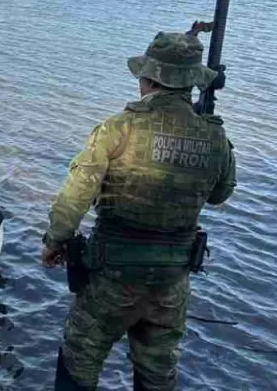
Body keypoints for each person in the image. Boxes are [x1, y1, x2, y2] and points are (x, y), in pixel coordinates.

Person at [41, 32, 237, 390]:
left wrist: (56, 241)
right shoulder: (215, 138)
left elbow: (75, 195)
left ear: (148, 79)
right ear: (192, 84)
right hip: (171, 280)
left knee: (80, 358)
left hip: (113, 275)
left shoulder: (119, 128)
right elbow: (219, 195)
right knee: (157, 370)